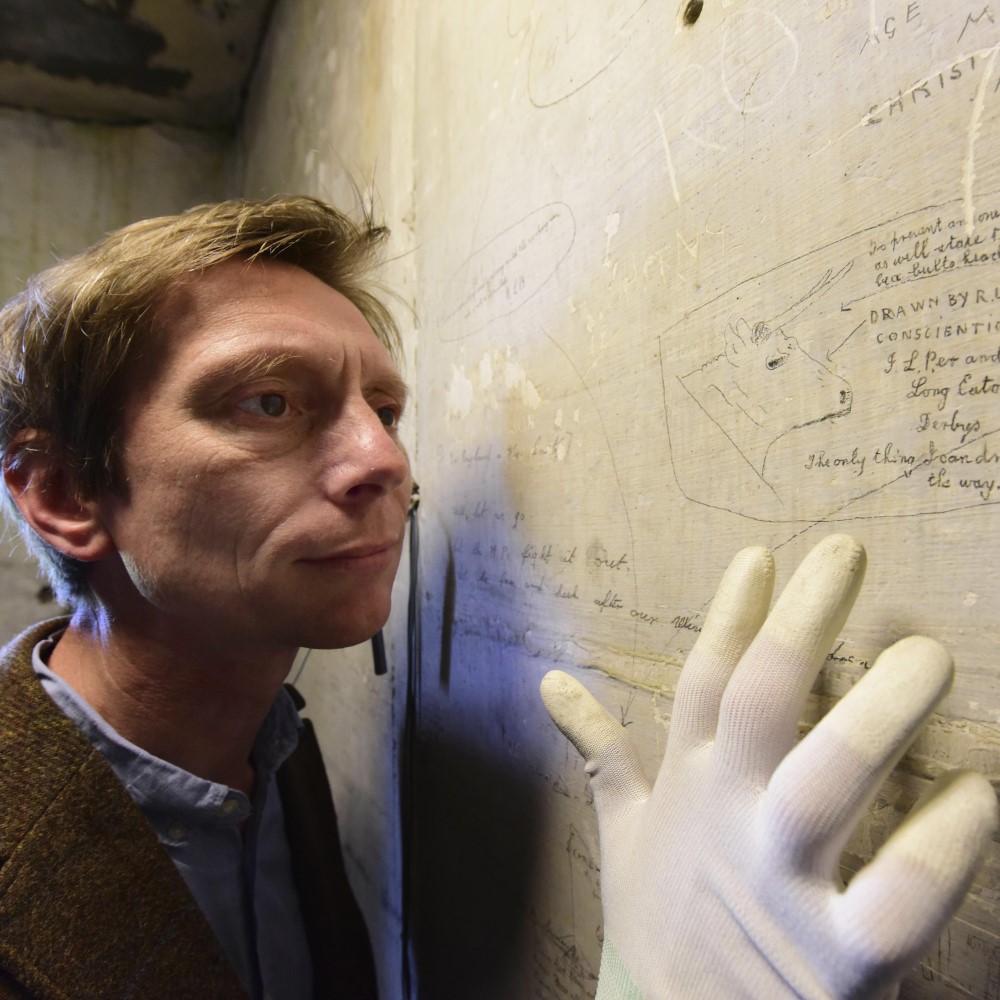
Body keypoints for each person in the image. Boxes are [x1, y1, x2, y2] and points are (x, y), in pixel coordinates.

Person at [0, 196, 994, 1000]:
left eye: (384, 410)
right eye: (270, 401)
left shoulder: (277, 748)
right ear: (64, 495)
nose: (384, 460)